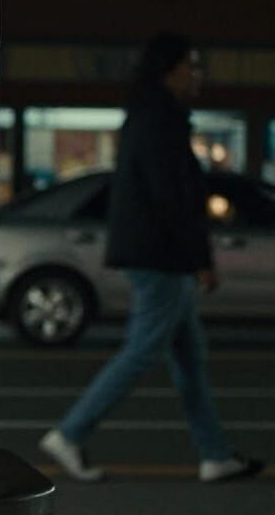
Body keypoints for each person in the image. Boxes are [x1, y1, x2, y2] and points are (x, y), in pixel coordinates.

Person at [39, 33, 264, 484]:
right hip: (162, 257)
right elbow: (174, 198)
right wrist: (200, 257)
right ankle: (70, 432)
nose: (198, 76)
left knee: (189, 359)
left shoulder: (149, 116)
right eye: (192, 67)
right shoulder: (161, 120)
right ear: (170, 70)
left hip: (158, 253)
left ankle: (215, 454)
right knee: (142, 352)